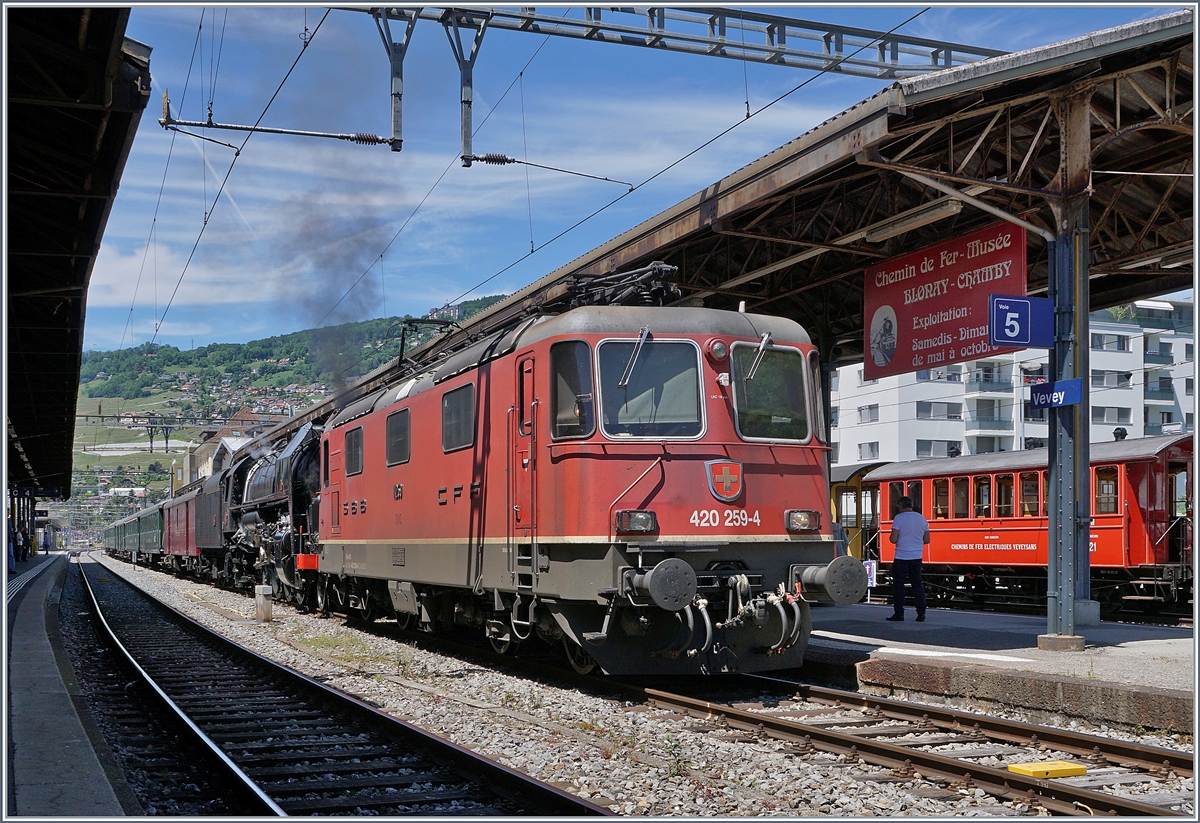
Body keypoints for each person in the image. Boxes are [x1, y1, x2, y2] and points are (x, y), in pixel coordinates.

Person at [887, 495, 929, 622]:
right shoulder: (922, 518)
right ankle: (921, 613)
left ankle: (899, 613)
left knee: (899, 585)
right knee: (917, 585)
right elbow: (927, 540)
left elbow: (893, 539)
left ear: (901, 506)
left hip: (901, 556)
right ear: (911, 505)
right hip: (917, 557)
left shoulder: (899, 518)